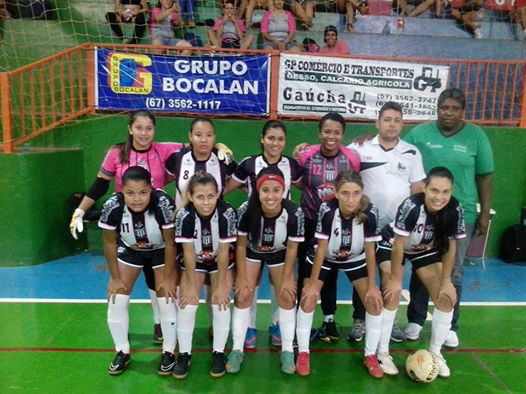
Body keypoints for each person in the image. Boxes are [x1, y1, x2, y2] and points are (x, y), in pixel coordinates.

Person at [69, 110, 183, 345]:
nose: (144, 133)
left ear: (154, 130)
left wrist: (219, 146)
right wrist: (80, 210)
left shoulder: (164, 149)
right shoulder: (116, 153)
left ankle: (159, 323)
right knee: (123, 281)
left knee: (156, 279)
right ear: (130, 129)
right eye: (139, 128)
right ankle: (122, 335)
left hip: (157, 222)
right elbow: (100, 185)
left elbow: (196, 144)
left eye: (149, 128)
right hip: (128, 225)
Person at [403, 88, 494, 348]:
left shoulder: (476, 136)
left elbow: (485, 176)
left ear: (462, 111)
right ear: (437, 108)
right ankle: (416, 320)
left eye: (454, 109)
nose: (449, 113)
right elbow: (399, 149)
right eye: (444, 108)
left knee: (453, 269)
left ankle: (450, 324)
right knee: (422, 264)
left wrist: (484, 213)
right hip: (425, 212)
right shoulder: (420, 133)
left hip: (461, 213)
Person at [344, 101, 426, 347]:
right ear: (377, 122)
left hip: (396, 229)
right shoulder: (360, 147)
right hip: (366, 223)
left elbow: (418, 190)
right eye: (387, 119)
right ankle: (360, 319)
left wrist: (411, 224)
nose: (392, 124)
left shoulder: (411, 152)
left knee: (391, 275)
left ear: (402, 123)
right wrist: (306, 150)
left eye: (397, 120)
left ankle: (389, 322)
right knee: (364, 272)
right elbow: (336, 155)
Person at [297, 170, 383, 377]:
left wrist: (372, 286)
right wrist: (311, 286)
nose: (350, 199)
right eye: (345, 193)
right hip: (324, 257)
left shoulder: (370, 213)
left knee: (373, 302)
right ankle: (303, 353)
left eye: (356, 193)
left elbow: (371, 252)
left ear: (362, 192)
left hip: (355, 257)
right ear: (336, 193)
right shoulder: (327, 210)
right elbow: (321, 246)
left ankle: (371, 355)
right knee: (308, 299)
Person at [224, 120, 302, 349]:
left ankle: (277, 323)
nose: (275, 143)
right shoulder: (249, 164)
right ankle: (248, 325)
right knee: (250, 282)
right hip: (254, 231)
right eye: (271, 138)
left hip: (281, 231)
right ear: (262, 138)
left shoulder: (292, 166)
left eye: (280, 139)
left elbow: (307, 186)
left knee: (281, 283)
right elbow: (226, 187)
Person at [382, 166, 466, 377]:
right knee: (392, 295)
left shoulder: (455, 209)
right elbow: (398, 246)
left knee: (446, 298)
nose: (439, 197)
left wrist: (446, 281)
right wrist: (395, 279)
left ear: (451, 190)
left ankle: (435, 353)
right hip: (391, 245)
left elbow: (451, 247)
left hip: (423, 249)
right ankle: (381, 352)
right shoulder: (411, 206)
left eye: (445, 191)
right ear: (424, 188)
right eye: (434, 190)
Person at [99, 166, 177, 376]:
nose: (136, 199)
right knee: (116, 297)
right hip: (131, 249)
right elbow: (108, 244)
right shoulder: (112, 206)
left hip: (161, 250)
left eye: (143, 192)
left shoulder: (163, 203)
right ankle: (122, 351)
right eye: (130, 193)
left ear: (151, 189)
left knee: (167, 296)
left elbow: (171, 243)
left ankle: (169, 351)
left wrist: (169, 278)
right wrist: (115, 278)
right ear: (121, 190)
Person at [226, 167, 305, 375]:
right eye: (266, 190)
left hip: (280, 253)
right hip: (252, 251)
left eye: (276, 190)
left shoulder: (294, 212)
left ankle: (287, 351)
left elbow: (293, 247)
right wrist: (242, 278)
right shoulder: (246, 209)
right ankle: (237, 349)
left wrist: (288, 278)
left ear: (283, 190)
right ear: (257, 191)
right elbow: (241, 245)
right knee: (243, 295)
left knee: (287, 296)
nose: (271, 196)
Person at [295, 112, 360, 344]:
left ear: (343, 134)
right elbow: (300, 184)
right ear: (319, 132)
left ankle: (329, 320)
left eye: (336, 132)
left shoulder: (352, 158)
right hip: (309, 222)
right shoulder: (305, 156)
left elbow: (355, 186)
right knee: (305, 273)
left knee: (329, 272)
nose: (331, 136)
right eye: (327, 131)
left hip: (336, 223)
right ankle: (300, 321)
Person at [173, 172, 237, 379]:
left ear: (218, 194)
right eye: (200, 197)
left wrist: (220, 287)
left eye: (211, 195)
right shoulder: (184, 216)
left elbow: (225, 251)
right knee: (187, 303)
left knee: (220, 301)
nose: (206, 202)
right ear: (190, 196)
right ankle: (184, 354)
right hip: (196, 262)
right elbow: (189, 252)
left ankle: (218, 352)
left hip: (221, 261)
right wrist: (191, 286)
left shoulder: (227, 213)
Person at [165, 117, 237, 208]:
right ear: (190, 136)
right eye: (198, 135)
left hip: (215, 219)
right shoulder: (177, 158)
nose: (204, 140)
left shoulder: (224, 159)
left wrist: (220, 190)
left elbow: (240, 180)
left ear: (214, 136)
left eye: (209, 135)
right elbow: (163, 179)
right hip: (181, 218)